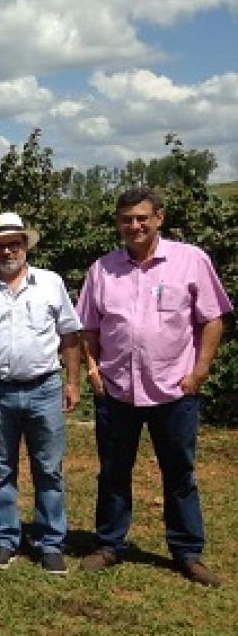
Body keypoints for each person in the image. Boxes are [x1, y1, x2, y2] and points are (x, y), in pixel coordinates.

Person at [76, 187, 232, 587]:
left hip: (173, 390)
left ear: (159, 217)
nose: (135, 226)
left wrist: (199, 373)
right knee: (113, 471)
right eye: (127, 219)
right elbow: (88, 328)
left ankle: (187, 552)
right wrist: (93, 371)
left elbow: (212, 319)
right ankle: (110, 544)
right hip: (117, 390)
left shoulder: (190, 261)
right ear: (118, 223)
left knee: (179, 472)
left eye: (142, 217)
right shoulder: (103, 269)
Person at [0, 212, 81, 575]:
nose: (8, 250)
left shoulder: (51, 284)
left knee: (49, 469)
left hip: (44, 388)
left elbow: (69, 334)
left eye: (15, 243)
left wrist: (73, 382)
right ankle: (4, 538)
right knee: (0, 469)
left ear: (26, 245)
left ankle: (50, 542)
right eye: (0, 245)